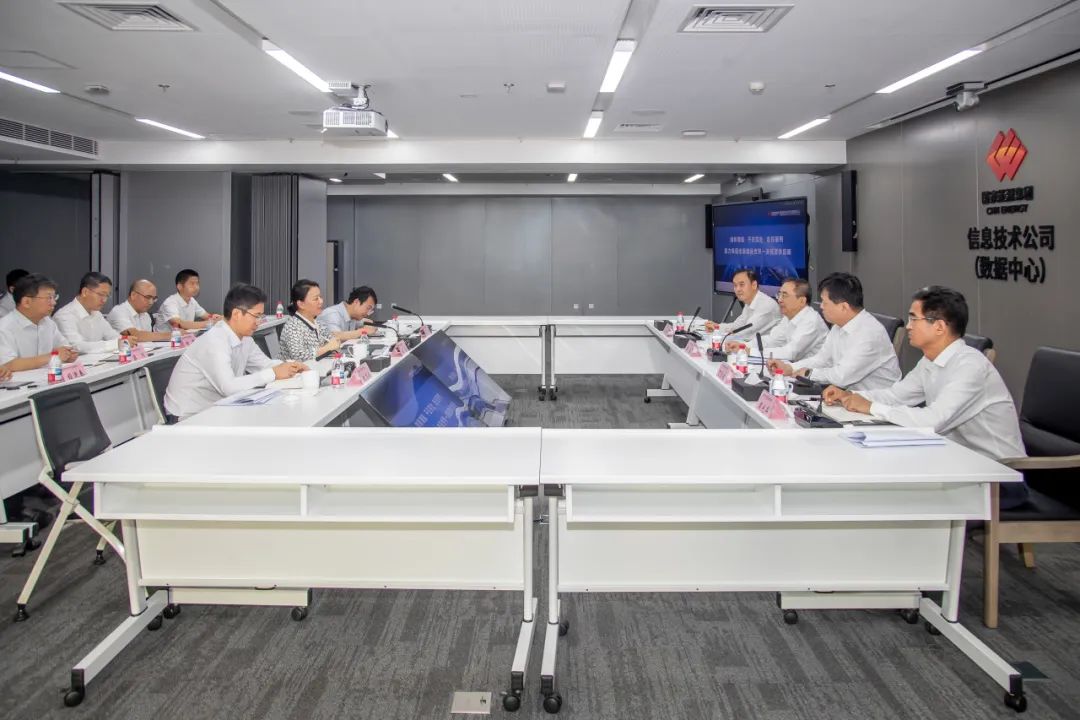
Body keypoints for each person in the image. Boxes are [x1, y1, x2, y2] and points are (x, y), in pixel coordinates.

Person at [824, 286, 1028, 507]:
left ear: (939, 326)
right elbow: (896, 395)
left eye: (914, 319)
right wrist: (850, 395)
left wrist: (871, 407)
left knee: (895, 494)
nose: (908, 326)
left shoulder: (970, 366)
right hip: (956, 462)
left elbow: (933, 421)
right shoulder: (930, 361)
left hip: (998, 476)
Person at [163, 283, 305, 421]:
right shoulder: (215, 340)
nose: (259, 322)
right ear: (236, 314)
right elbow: (229, 387)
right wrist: (273, 373)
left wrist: (291, 366)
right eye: (256, 316)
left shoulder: (245, 338)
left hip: (216, 408)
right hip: (186, 417)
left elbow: (264, 364)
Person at [768, 272, 901, 391]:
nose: (821, 307)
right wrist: (791, 368)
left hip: (877, 403)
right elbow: (822, 359)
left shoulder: (869, 333)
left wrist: (808, 373)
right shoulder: (839, 325)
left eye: (825, 303)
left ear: (843, 307)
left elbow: (841, 376)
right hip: (847, 396)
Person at [726, 277, 827, 362]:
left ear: (802, 301)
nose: (779, 300)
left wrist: (750, 351)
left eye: (785, 295)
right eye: (779, 294)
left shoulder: (811, 321)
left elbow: (791, 353)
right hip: (794, 369)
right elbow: (772, 340)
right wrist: (743, 346)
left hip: (813, 376)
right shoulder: (788, 316)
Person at [0, 273, 78, 371]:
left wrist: (69, 354)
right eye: (49, 298)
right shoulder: (4, 327)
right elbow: (8, 364)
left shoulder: (48, 323)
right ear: (26, 302)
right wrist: (52, 356)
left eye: (54, 297)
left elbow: (63, 346)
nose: (54, 303)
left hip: (48, 377)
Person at [53, 272, 132, 354]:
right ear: (85, 292)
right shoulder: (64, 316)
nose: (104, 300)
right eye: (101, 294)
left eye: (107, 296)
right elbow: (77, 346)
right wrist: (116, 344)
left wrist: (126, 340)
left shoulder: (97, 314)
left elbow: (112, 335)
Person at [710, 268, 780, 340]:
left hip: (767, 346)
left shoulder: (766, 305)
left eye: (742, 285)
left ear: (754, 285)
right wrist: (717, 327)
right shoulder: (750, 302)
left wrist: (719, 334)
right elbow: (738, 325)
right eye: (735, 285)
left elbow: (747, 332)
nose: (738, 289)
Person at [154, 269, 221, 332]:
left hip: (184, 336)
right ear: (180, 286)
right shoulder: (170, 303)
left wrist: (214, 317)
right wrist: (210, 322)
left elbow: (206, 316)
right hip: (165, 339)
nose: (196, 287)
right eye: (192, 284)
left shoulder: (192, 300)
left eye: (197, 283)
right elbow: (179, 324)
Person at [107, 279, 173, 342]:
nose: (151, 302)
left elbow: (147, 338)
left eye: (154, 298)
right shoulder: (119, 311)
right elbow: (136, 335)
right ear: (133, 295)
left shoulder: (145, 315)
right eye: (147, 297)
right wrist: (172, 335)